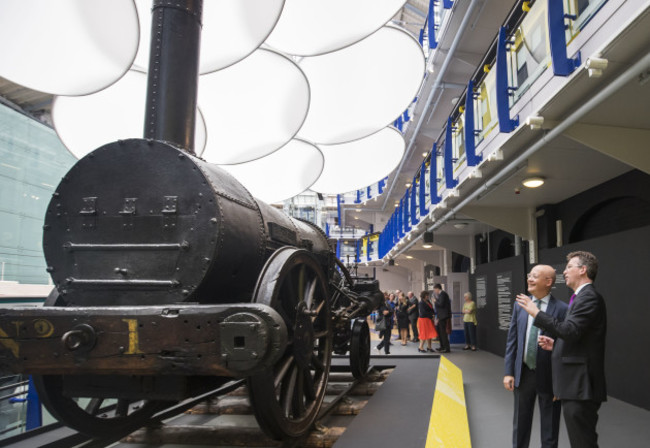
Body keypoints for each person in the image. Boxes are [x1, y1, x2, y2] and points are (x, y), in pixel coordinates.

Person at [516, 251, 607, 448]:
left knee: (583, 441)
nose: (564, 272)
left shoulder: (588, 297)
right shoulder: (580, 297)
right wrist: (556, 345)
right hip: (575, 385)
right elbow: (578, 336)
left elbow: (570, 330)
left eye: (569, 267)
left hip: (581, 385)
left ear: (582, 270)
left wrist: (536, 312)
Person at [505, 264, 568, 448]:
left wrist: (560, 382)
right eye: (529, 275)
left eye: (534, 276)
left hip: (549, 376)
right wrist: (509, 371)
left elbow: (565, 345)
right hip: (524, 374)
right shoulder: (520, 306)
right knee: (520, 425)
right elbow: (512, 340)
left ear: (548, 282)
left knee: (550, 428)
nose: (529, 279)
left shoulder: (562, 309)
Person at [433, 283, 451, 353]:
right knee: (440, 332)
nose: (435, 291)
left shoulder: (443, 294)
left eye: (435, 290)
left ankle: (446, 348)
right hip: (440, 316)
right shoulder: (441, 295)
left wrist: (435, 301)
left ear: (438, 289)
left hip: (443, 316)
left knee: (443, 332)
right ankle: (442, 346)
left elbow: (441, 304)